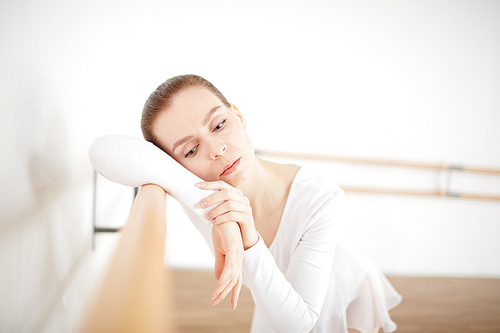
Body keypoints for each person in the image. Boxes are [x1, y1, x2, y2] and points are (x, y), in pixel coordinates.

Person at [140, 74, 402, 333]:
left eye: (219, 125)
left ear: (238, 116)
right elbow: (103, 151)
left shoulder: (320, 197)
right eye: (191, 150)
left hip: (335, 287)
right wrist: (229, 225)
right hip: (278, 300)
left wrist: (249, 240)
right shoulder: (192, 187)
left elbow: (299, 324)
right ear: (176, 165)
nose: (217, 149)